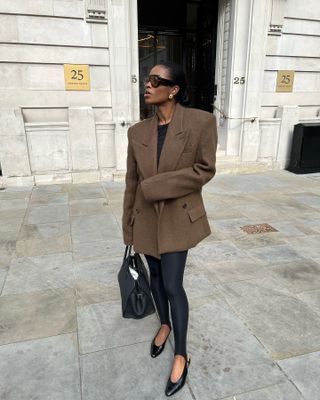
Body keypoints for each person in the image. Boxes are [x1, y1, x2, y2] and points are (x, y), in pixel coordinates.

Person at [122, 62, 218, 397]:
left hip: (178, 216)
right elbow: (132, 182)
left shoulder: (201, 122)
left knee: (174, 283)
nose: (147, 85)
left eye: (155, 81)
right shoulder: (137, 132)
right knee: (157, 278)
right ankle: (164, 324)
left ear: (173, 89)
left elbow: (205, 170)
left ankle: (181, 353)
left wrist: (158, 186)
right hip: (146, 219)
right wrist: (128, 228)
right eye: (146, 80)